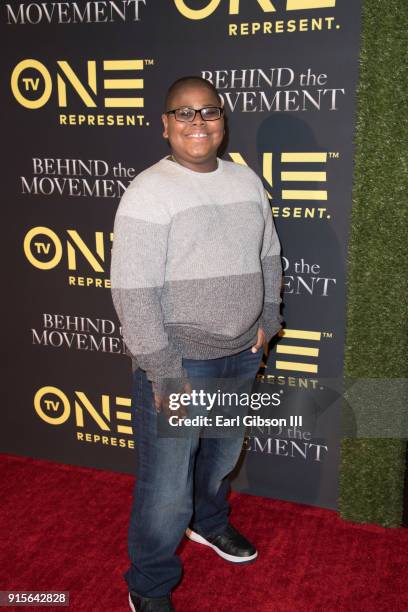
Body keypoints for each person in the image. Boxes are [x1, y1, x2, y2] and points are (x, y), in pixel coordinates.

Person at [110, 75, 283, 612]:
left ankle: (208, 523)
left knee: (221, 457)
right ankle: (149, 582)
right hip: (180, 362)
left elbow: (269, 254)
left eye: (209, 111)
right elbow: (132, 290)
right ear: (165, 126)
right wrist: (163, 369)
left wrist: (269, 316)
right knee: (166, 486)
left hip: (240, 352)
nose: (198, 121)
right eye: (184, 113)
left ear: (222, 122)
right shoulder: (148, 192)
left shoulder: (245, 181)